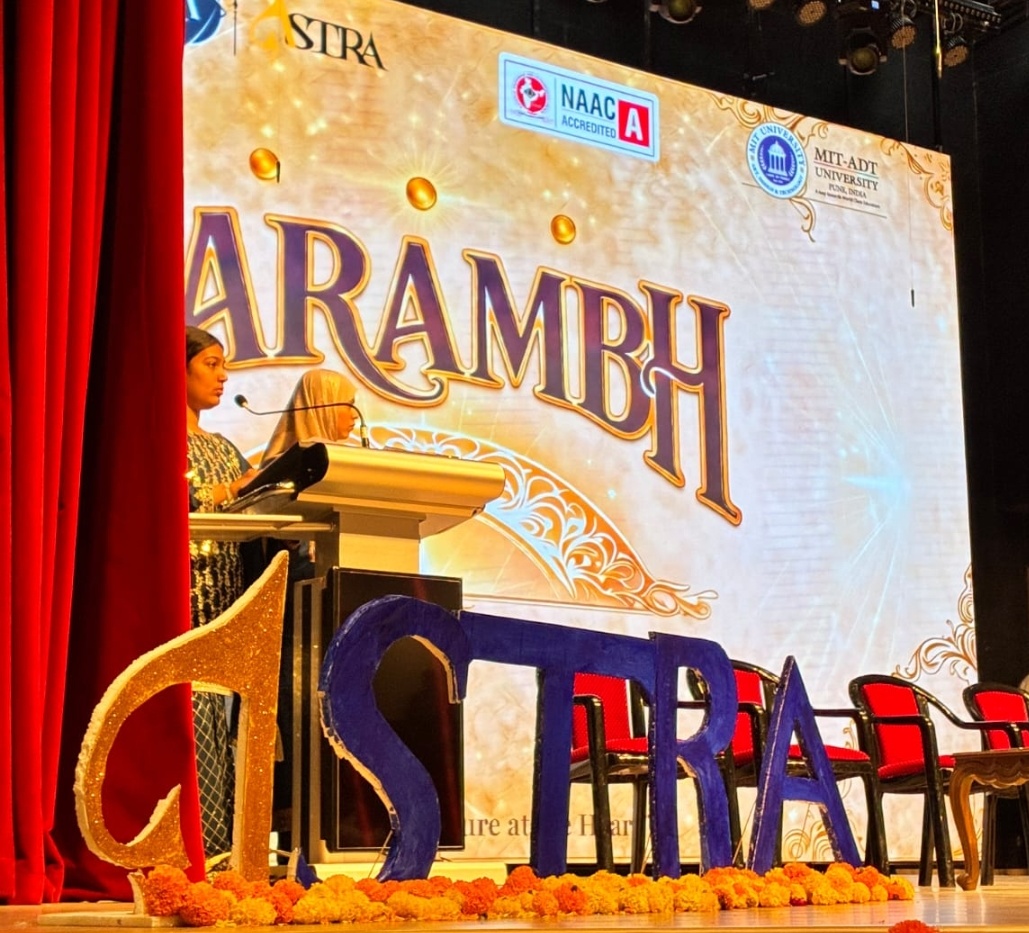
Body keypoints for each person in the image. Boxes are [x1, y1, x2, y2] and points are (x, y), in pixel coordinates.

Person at [185, 325, 259, 857]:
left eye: (223, 365)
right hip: (182, 599)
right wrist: (230, 489)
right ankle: (192, 846)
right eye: (211, 364)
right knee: (188, 715)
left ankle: (223, 849)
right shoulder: (155, 437)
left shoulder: (225, 448)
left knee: (223, 724)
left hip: (227, 604)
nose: (223, 376)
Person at [261, 367, 358, 465]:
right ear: (322, 406)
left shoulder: (348, 459)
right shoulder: (282, 467)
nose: (356, 415)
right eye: (349, 405)